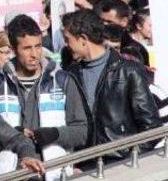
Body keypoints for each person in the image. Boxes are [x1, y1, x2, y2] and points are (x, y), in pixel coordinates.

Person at [0, 15, 88, 181]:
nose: (34, 54)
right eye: (27, 48)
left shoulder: (63, 80)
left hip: (55, 180)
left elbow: (81, 131)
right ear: (13, 48)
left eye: (38, 46)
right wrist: (12, 135)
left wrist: (55, 134)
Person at [62, 10, 161, 155]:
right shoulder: (70, 75)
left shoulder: (128, 71)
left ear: (83, 39)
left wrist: (126, 155)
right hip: (84, 167)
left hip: (122, 167)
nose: (66, 45)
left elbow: (152, 127)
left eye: (68, 39)